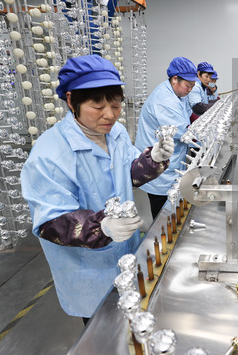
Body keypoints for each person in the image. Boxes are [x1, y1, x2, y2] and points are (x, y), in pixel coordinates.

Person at [21, 55, 173, 321]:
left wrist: (153, 160)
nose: (109, 115)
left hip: (126, 252)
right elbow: (49, 223)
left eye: (115, 106)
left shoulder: (115, 133)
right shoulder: (50, 155)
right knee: (101, 330)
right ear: (71, 101)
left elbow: (128, 175)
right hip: (89, 269)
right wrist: (99, 227)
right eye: (97, 105)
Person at [135, 57, 198, 219]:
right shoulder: (164, 100)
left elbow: (188, 115)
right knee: (163, 214)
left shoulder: (179, 93)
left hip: (173, 160)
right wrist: (207, 138)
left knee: (172, 207)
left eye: (192, 86)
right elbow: (185, 133)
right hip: (159, 166)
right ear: (175, 79)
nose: (190, 89)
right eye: (188, 85)